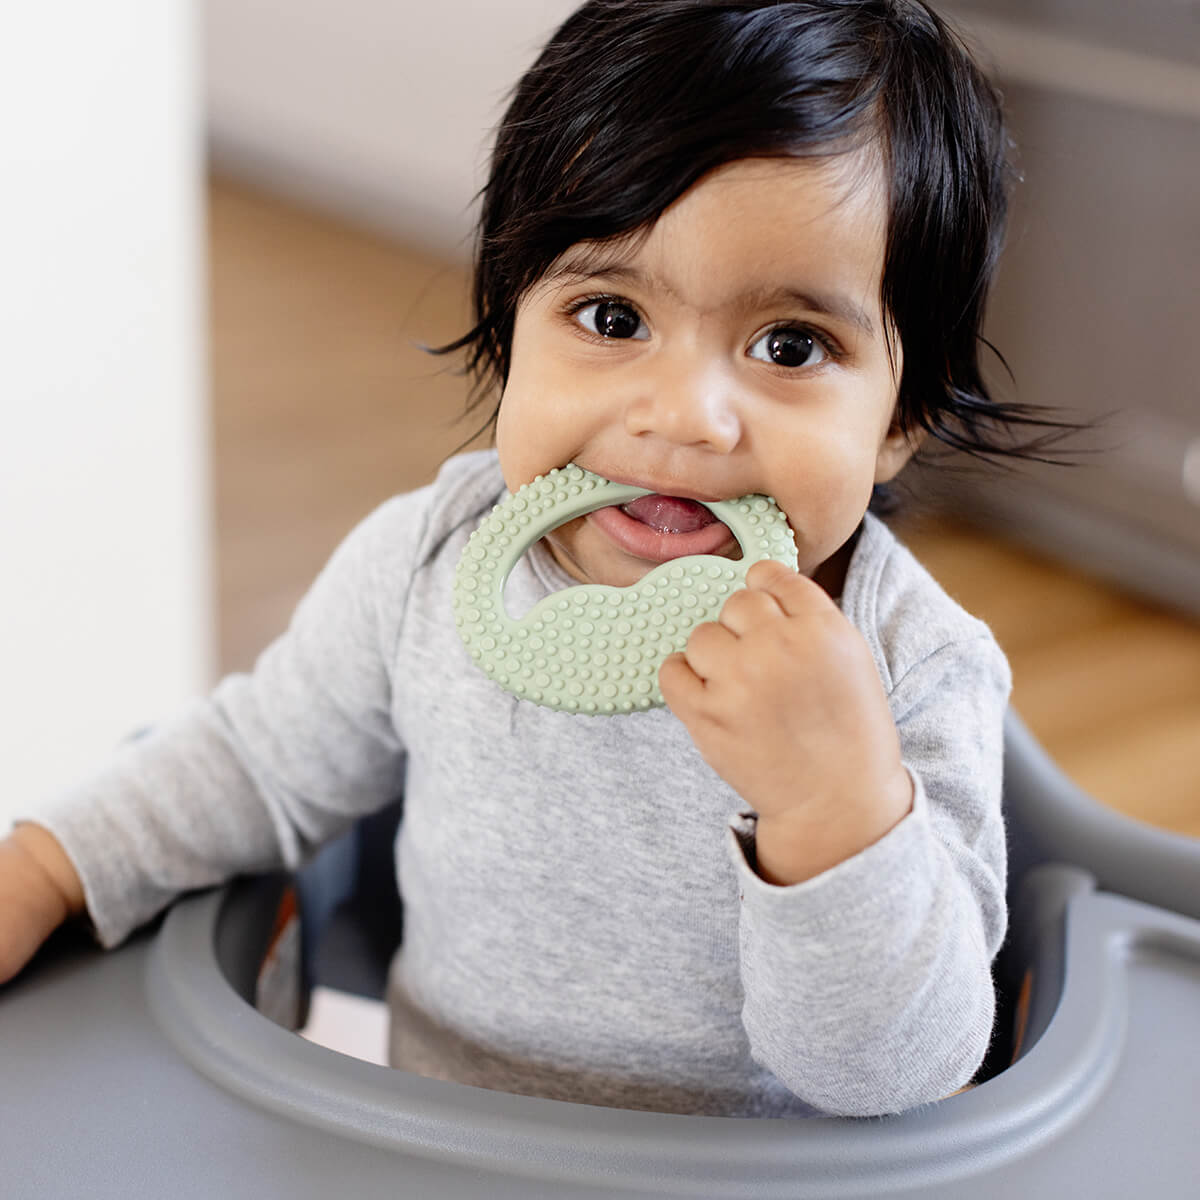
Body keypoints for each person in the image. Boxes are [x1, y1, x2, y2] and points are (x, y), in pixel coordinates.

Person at [0, 0, 1064, 1117]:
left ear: (902, 418)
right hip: (440, 1152)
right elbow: (254, 766)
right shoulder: (431, 565)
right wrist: (43, 865)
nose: (685, 416)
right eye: (611, 317)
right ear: (512, 332)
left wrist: (838, 813)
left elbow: (899, 1077)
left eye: (789, 346)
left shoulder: (912, 671)